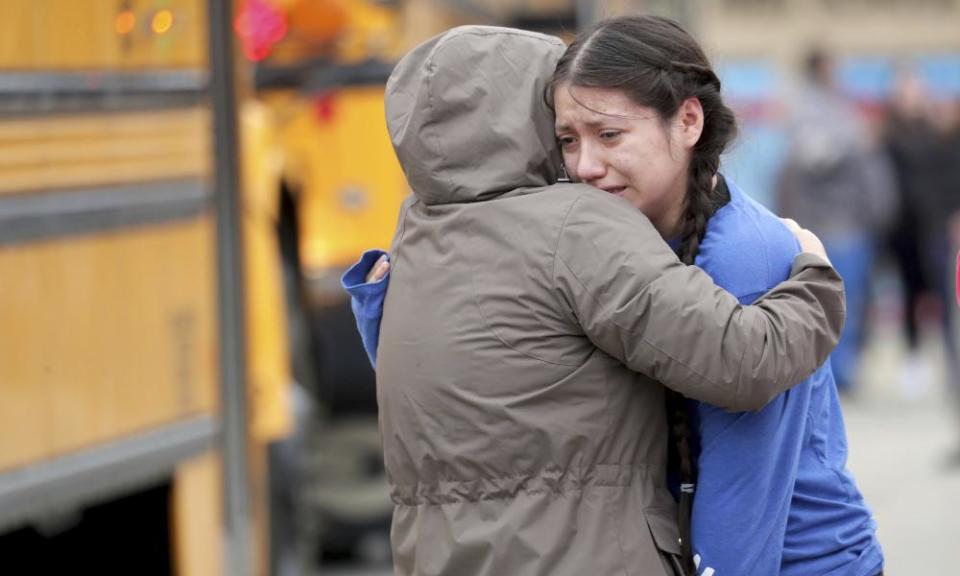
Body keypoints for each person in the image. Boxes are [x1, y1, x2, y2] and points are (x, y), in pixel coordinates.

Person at [344, 24, 845, 576]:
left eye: (606, 134)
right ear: (525, 118)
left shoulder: (414, 238)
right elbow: (744, 363)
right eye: (566, 137)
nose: (583, 166)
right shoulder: (574, 228)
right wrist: (814, 278)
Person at [777, 47, 897, 394]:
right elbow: (815, 155)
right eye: (835, 67)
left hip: (855, 226)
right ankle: (834, 378)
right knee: (834, 304)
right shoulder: (810, 110)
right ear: (821, 69)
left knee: (854, 303)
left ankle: (845, 373)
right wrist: (856, 139)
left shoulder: (839, 106)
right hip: (832, 225)